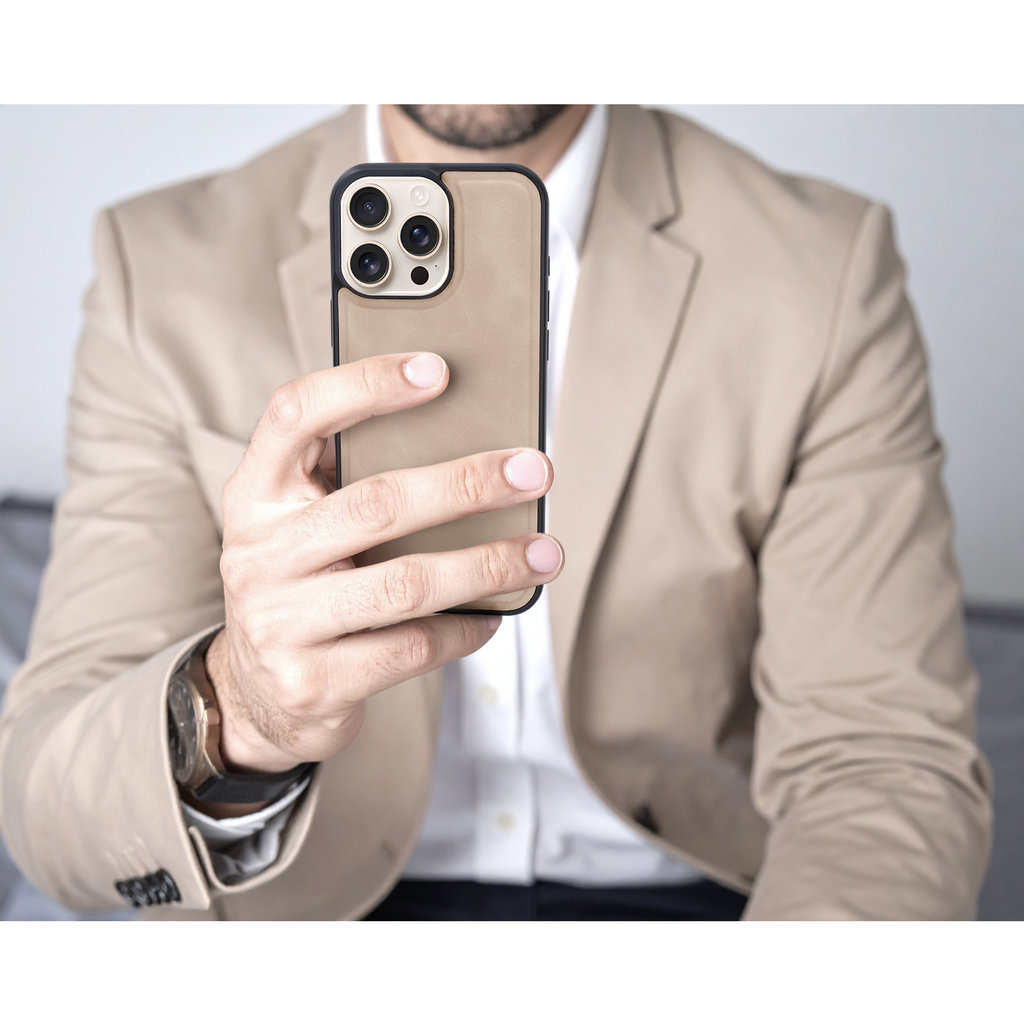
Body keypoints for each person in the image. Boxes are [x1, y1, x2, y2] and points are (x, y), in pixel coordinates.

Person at [0, 104, 993, 921]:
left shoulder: (821, 265)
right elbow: (49, 802)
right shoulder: (162, 268)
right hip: (301, 908)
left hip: (690, 899)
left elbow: (880, 760)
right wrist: (237, 710)